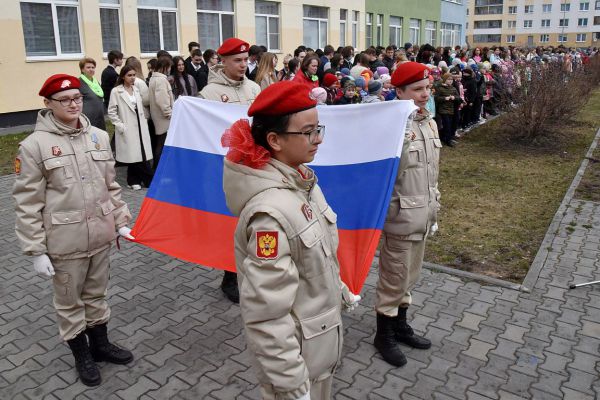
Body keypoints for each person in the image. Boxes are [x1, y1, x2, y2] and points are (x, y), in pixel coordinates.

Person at [221, 80, 359, 400]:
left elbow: (313, 260)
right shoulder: (269, 215)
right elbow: (266, 313)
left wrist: (337, 290)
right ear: (275, 140)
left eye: (319, 128)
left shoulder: (302, 183)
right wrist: (291, 384)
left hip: (318, 347)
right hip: (298, 364)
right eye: (308, 132)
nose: (319, 139)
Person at [13, 74, 135, 387]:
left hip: (100, 236)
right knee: (69, 302)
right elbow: (27, 202)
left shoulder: (97, 136)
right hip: (64, 243)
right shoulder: (34, 146)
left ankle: (101, 345)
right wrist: (35, 250)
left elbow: (111, 184)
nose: (73, 103)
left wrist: (120, 221)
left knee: (96, 295)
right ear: (48, 104)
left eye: (77, 97)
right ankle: (82, 354)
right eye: (64, 99)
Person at [375, 62, 441, 367]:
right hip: (400, 216)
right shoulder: (390, 125)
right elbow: (389, 173)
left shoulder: (428, 122)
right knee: (394, 277)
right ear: (398, 92)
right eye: (417, 89)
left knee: (410, 276)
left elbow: (431, 173)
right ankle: (383, 334)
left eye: (427, 88)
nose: (424, 94)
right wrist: (400, 134)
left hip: (423, 214)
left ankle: (400, 325)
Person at [200, 37, 261, 303]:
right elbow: (204, 133)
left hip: (254, 166)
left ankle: (252, 270)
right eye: (237, 60)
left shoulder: (255, 88)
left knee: (254, 220)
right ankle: (230, 275)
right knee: (231, 223)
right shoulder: (209, 94)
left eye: (246, 60)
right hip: (227, 168)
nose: (242, 65)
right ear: (222, 62)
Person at [107, 65, 154, 190]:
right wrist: (120, 125)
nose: (132, 78)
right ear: (123, 76)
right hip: (127, 126)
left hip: (139, 126)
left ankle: (133, 180)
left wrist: (144, 119)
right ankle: (149, 180)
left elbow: (140, 108)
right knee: (136, 155)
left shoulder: (136, 90)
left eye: (134, 75)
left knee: (138, 154)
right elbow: (111, 111)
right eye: (129, 75)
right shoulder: (116, 91)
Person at [148, 56, 174, 171]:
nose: (169, 69)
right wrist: (168, 113)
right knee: (162, 143)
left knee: (161, 143)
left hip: (160, 115)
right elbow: (162, 99)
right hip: (163, 117)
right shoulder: (161, 80)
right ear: (164, 67)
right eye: (169, 67)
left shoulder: (155, 78)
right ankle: (158, 170)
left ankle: (158, 169)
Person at [78, 57, 106, 130]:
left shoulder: (95, 82)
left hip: (100, 118)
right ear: (82, 69)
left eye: (93, 67)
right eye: (88, 67)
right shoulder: (79, 83)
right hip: (88, 119)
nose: (91, 69)